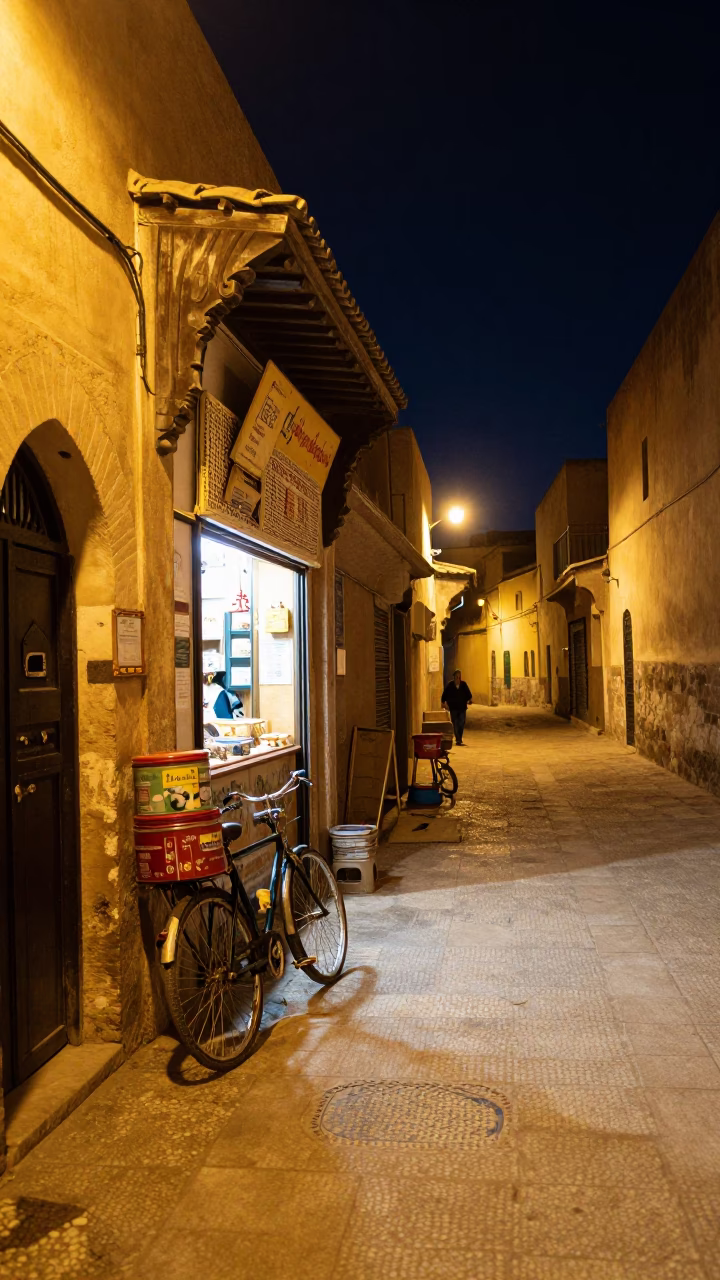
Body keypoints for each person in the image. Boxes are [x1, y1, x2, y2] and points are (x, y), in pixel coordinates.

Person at [441, 669, 473, 745]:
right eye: (456, 677)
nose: (458, 679)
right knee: (455, 723)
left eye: (459, 677)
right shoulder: (450, 685)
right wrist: (443, 703)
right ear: (454, 677)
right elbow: (444, 695)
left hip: (462, 708)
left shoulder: (464, 685)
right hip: (453, 708)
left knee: (461, 723)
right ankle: (458, 739)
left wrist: (470, 700)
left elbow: (469, 694)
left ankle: (459, 737)